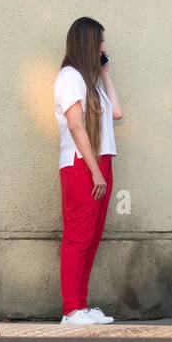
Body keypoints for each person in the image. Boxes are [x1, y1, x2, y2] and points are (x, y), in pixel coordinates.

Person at [53, 16, 123, 325]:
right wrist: (94, 170)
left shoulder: (91, 81)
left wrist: (105, 74)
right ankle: (71, 310)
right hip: (82, 163)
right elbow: (75, 125)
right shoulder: (70, 77)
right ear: (87, 43)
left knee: (92, 238)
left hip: (100, 161)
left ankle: (81, 305)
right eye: (100, 42)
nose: (103, 48)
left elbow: (117, 112)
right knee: (78, 238)